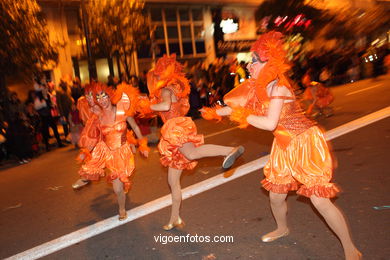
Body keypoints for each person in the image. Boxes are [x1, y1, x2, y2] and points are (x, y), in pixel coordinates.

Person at [204, 31, 361, 260]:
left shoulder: (279, 88)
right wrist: (212, 113)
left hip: (304, 142)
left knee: (319, 199)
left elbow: (269, 124)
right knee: (275, 196)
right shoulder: (255, 88)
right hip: (283, 144)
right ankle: (282, 228)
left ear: (268, 63)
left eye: (253, 62)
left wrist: (242, 114)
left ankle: (350, 249)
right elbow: (233, 107)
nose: (248, 66)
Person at [144, 54, 244, 230]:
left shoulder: (167, 90)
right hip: (174, 128)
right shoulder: (173, 88)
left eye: (157, 75)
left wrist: (147, 106)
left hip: (175, 127)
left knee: (191, 154)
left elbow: (166, 107)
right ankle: (175, 218)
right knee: (173, 182)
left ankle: (229, 150)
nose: (155, 78)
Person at [77, 82, 149, 220]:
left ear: (110, 96)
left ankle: (122, 207)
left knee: (118, 188)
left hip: (122, 152)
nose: (102, 101)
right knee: (114, 185)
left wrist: (142, 144)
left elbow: (135, 127)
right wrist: (86, 150)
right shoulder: (98, 116)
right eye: (99, 99)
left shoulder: (122, 110)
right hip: (107, 152)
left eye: (104, 97)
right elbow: (94, 136)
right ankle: (86, 179)